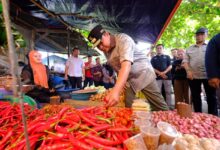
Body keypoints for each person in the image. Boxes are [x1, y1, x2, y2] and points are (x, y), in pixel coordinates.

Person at [88, 25, 168, 110]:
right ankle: (133, 122)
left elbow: (126, 65)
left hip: (143, 74)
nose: (100, 47)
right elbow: (117, 66)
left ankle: (169, 119)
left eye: (100, 43)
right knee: (129, 107)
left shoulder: (123, 39)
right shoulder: (106, 50)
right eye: (97, 46)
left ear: (107, 34)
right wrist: (122, 81)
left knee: (159, 106)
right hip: (129, 79)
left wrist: (116, 90)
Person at [183, 28, 217, 116]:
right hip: (193, 76)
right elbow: (185, 61)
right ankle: (198, 116)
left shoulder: (212, 46)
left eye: (202, 34)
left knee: (211, 97)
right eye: (197, 34)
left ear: (206, 35)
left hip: (209, 76)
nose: (199, 36)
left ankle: (213, 117)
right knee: (196, 97)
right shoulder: (189, 48)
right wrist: (188, 71)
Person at [205, 33, 220, 115]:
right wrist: (213, 75)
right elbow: (210, 57)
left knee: (212, 98)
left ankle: (213, 115)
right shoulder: (216, 39)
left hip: (207, 76)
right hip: (216, 76)